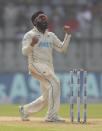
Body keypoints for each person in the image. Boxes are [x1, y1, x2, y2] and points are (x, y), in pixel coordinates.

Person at [19, 11, 71, 122]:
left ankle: (25, 110)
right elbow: (24, 52)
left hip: (48, 68)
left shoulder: (50, 35)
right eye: (41, 19)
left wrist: (67, 35)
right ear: (35, 22)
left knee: (47, 97)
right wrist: (32, 44)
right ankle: (51, 116)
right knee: (55, 83)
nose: (44, 21)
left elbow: (62, 49)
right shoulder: (30, 35)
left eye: (45, 19)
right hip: (36, 65)